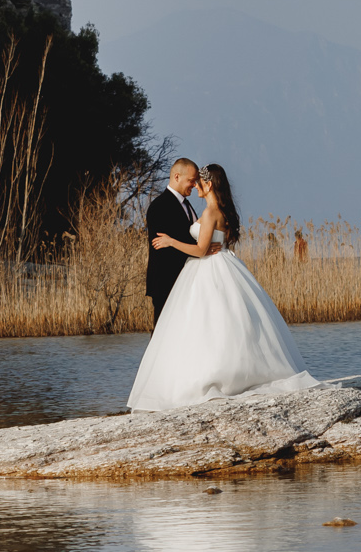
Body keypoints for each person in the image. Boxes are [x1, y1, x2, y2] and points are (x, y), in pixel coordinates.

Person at [126, 162, 318, 411]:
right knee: (221, 322)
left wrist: (173, 242)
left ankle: (202, 379)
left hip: (206, 268)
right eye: (192, 181)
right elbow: (203, 242)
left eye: (199, 182)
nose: (195, 186)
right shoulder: (207, 210)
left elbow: (200, 248)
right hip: (197, 271)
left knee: (208, 324)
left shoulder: (208, 212)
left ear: (209, 185)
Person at [144, 159, 203, 323]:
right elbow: (163, 247)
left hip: (186, 281)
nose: (194, 185)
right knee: (163, 331)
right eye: (191, 180)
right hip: (166, 283)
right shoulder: (160, 206)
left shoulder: (186, 205)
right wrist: (202, 249)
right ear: (177, 177)